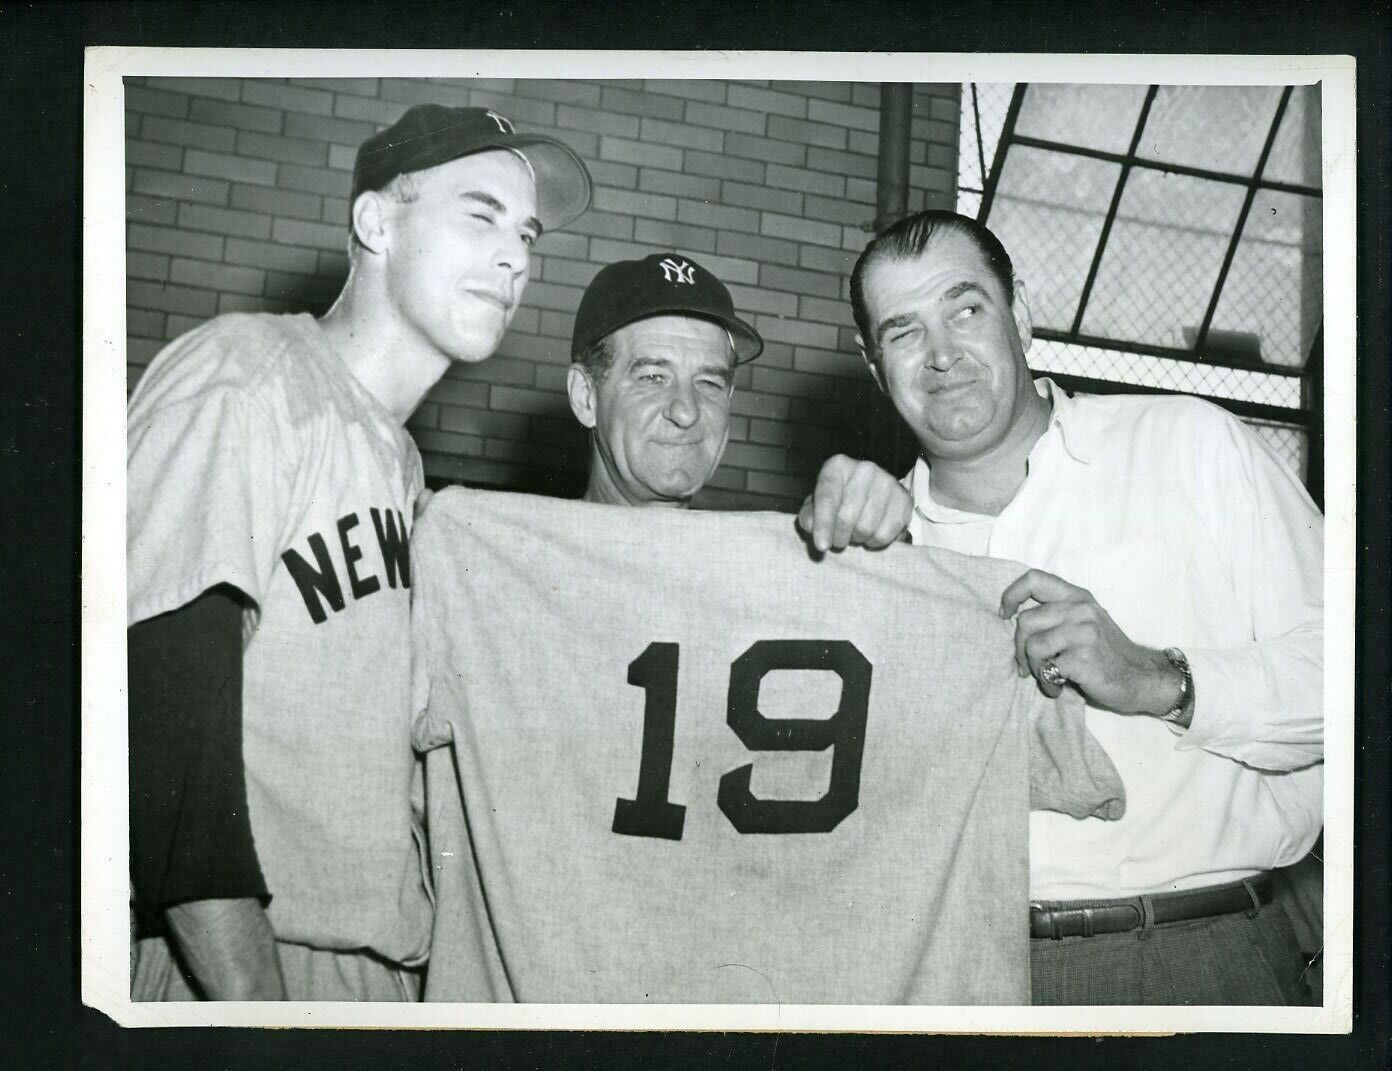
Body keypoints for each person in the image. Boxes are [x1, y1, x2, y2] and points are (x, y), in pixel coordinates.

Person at [798, 209, 1323, 1005]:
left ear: (1022, 316)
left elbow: (1354, 686)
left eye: (965, 309)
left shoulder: (1188, 445)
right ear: (877, 369)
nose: (941, 356)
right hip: (961, 975)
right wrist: (824, 575)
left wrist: (1155, 678)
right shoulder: (874, 553)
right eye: (903, 332)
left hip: (1198, 954)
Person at [125, 104, 591, 1001]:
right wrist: (260, 1011)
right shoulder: (245, 374)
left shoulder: (403, 465)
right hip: (234, 965)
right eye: (480, 215)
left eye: (527, 234)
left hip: (377, 970)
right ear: (376, 221)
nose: (518, 257)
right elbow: (162, 721)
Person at [565, 251, 763, 507]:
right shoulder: (520, 545)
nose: (686, 413)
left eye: (709, 383)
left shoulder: (752, 547)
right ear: (584, 397)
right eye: (653, 377)